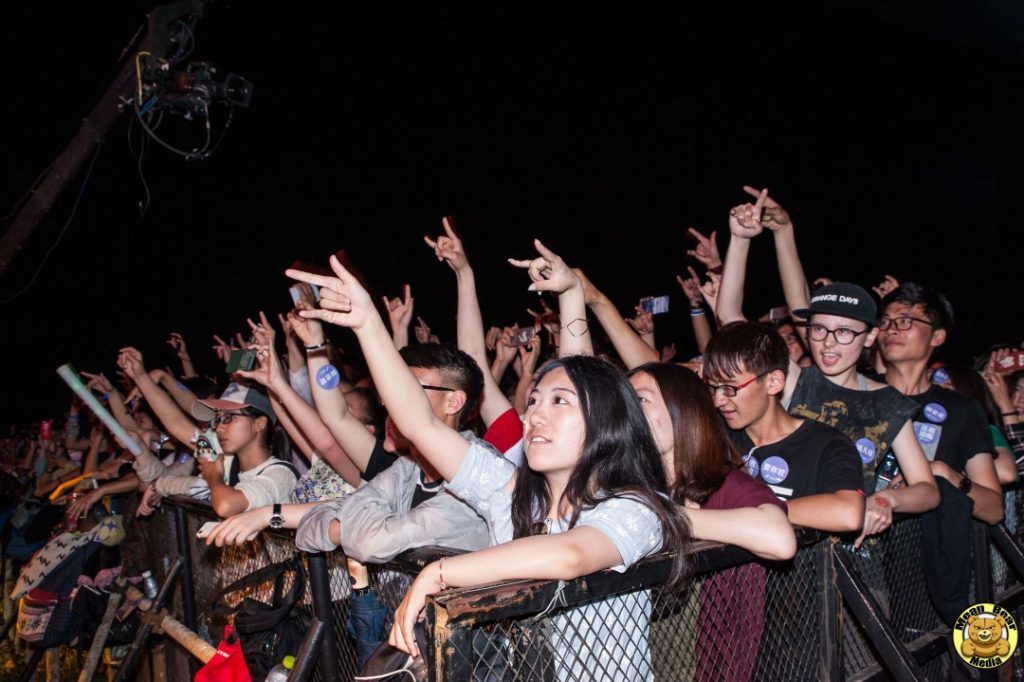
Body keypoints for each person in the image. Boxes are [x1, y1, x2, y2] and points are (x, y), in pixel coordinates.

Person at [286, 241, 691, 680]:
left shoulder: (633, 507)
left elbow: (572, 554)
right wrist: (368, 326)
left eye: (559, 402)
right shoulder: (509, 493)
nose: (535, 413)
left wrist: (439, 574)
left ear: (604, 423)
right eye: (533, 400)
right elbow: (420, 422)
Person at [713, 187, 939, 541]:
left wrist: (886, 500)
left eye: (845, 332)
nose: (828, 342)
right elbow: (730, 316)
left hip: (847, 556)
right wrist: (741, 240)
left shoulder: (887, 403)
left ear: (870, 337)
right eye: (818, 329)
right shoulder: (794, 380)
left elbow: (927, 489)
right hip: (774, 543)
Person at [627, 361, 794, 681]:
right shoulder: (630, 486)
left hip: (707, 665)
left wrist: (664, 516)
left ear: (682, 409)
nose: (628, 412)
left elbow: (779, 540)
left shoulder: (724, 482)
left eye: (641, 400)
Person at [701, 321, 865, 537]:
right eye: (713, 388)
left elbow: (848, 513)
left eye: (729, 388)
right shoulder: (714, 438)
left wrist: (759, 513)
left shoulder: (825, 444)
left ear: (774, 382)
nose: (718, 400)